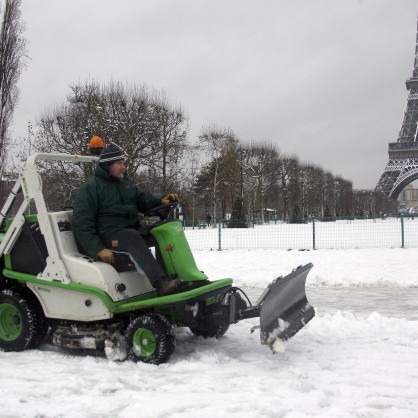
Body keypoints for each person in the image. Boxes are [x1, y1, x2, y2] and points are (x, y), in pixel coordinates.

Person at [72, 143, 181, 296]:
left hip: (130, 229)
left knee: (162, 233)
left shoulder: (125, 183)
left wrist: (161, 199)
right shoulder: (90, 189)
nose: (123, 167)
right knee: (131, 237)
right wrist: (98, 249)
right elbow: (81, 224)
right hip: (108, 235)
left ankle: (177, 276)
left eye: (123, 163)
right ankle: (160, 283)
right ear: (108, 165)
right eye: (119, 163)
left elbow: (141, 198)